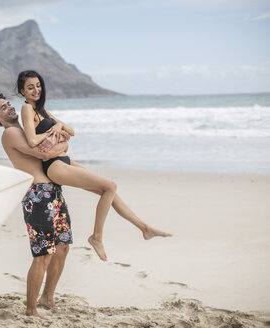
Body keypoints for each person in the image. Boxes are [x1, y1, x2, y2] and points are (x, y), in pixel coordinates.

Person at [17, 70, 171, 261]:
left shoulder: (42, 110)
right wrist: (53, 132)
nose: (36, 90)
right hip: (54, 165)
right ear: (22, 91)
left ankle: (144, 228)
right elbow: (32, 140)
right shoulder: (27, 110)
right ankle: (96, 237)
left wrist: (58, 126)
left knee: (109, 192)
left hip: (65, 160)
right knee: (110, 186)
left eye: (38, 85)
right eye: (30, 87)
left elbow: (71, 131)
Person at [0, 92, 71, 319]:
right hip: (37, 195)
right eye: (3, 108)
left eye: (9, 104)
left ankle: (47, 297)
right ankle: (31, 309)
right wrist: (60, 143)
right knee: (43, 254)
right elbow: (41, 153)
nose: (10, 108)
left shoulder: (23, 130)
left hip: (52, 191)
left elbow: (48, 148)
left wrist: (58, 136)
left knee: (62, 246)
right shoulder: (11, 133)